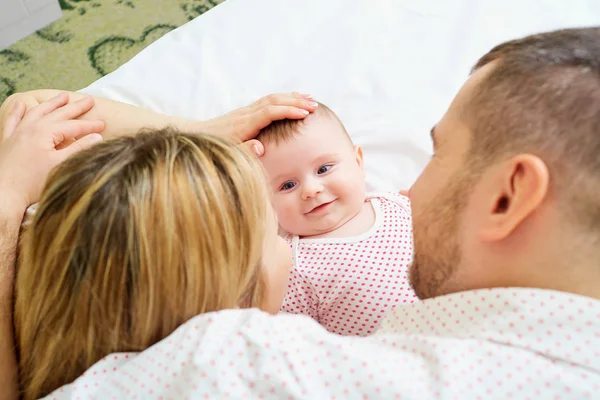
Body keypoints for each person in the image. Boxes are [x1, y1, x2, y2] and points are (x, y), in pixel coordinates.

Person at [1, 26, 600, 399]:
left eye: (439, 150)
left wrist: (5, 203)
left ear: (508, 196)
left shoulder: (248, 367)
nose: (410, 189)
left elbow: (31, 109)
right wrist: (211, 134)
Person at [0, 91, 316, 400]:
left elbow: (27, 107)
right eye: (274, 233)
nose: (286, 243)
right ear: (229, 308)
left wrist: (204, 136)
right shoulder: (261, 367)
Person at [257, 102, 416, 336]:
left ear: (358, 162)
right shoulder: (290, 265)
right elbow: (293, 339)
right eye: (288, 185)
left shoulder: (398, 203)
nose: (311, 190)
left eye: (323, 169)